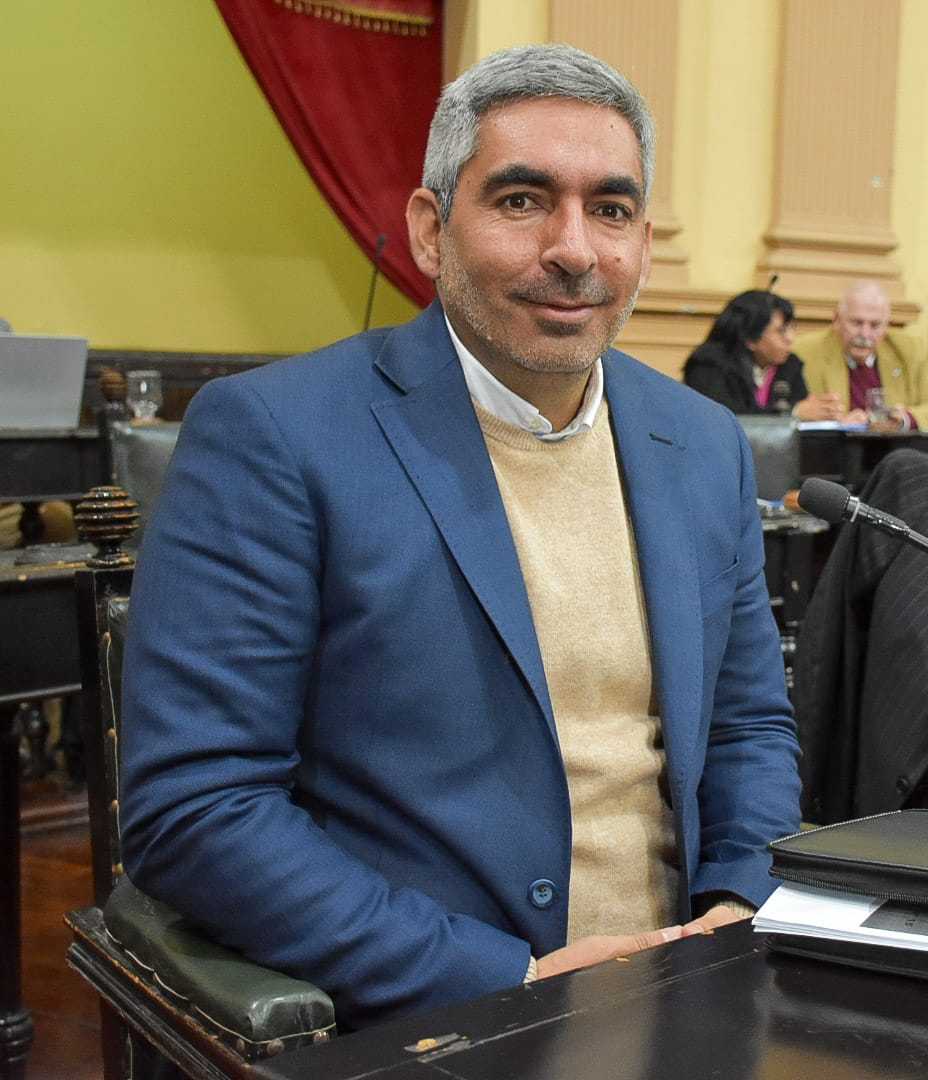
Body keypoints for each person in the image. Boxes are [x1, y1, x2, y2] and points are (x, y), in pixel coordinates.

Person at [120, 44, 801, 1032]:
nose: (574, 249)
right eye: (523, 200)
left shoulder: (701, 442)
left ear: (644, 243)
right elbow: (198, 808)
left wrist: (736, 905)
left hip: (696, 994)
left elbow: (747, 729)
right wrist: (507, 978)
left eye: (611, 209)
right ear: (431, 230)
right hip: (440, 1014)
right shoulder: (275, 436)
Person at [794, 280, 928, 431]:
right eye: (857, 323)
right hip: (834, 446)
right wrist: (836, 424)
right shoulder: (804, 352)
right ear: (837, 320)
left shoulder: (909, 350)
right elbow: (788, 411)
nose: (865, 334)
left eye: (875, 325)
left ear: (886, 325)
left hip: (893, 446)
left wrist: (903, 419)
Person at [683, 289, 840, 420]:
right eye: (781, 331)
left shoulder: (790, 364)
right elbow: (728, 420)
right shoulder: (708, 365)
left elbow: (803, 409)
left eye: (792, 328)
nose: (790, 338)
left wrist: (827, 415)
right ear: (750, 338)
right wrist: (792, 413)